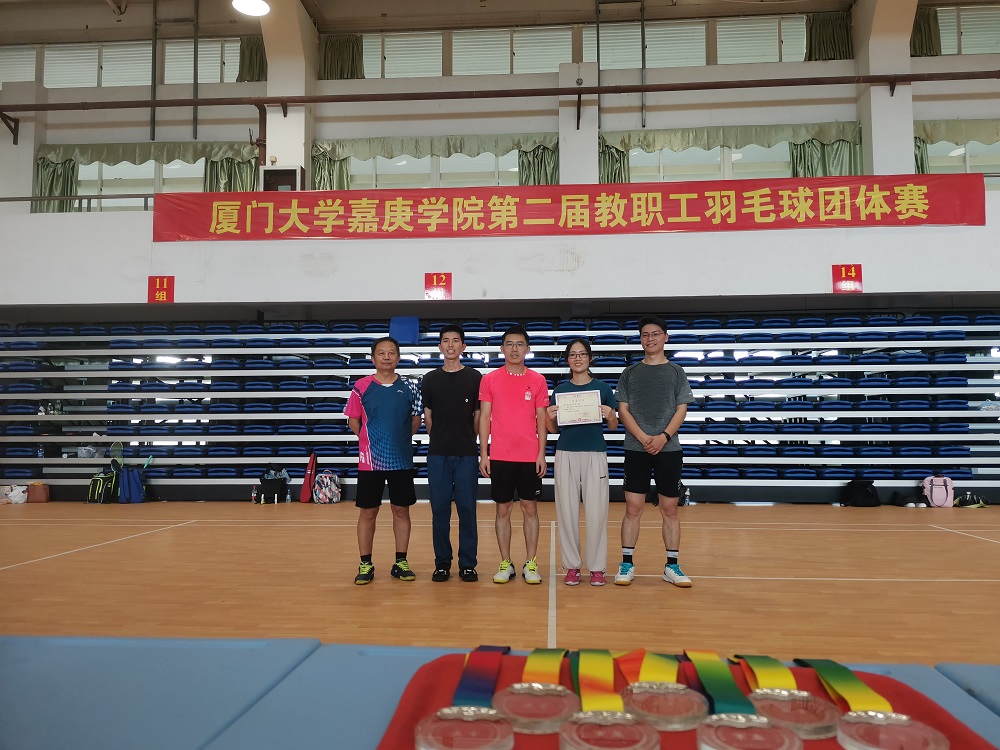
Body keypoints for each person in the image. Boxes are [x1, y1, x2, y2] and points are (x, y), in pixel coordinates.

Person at [614, 317, 696, 588]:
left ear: (665, 337)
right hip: (635, 448)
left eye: (655, 334)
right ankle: (626, 563)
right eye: (645, 335)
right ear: (641, 339)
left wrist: (663, 437)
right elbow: (623, 410)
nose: (650, 339)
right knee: (633, 507)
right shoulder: (630, 373)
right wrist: (642, 438)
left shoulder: (676, 372)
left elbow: (681, 409)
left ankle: (672, 566)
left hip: (668, 449)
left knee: (669, 508)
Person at [344, 336, 423, 585]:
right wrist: (371, 442)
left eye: (391, 353)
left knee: (401, 510)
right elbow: (354, 422)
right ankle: (365, 564)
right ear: (373, 358)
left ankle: (401, 562)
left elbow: (416, 420)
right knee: (368, 512)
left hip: (401, 460)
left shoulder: (410, 387)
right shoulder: (361, 387)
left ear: (398, 357)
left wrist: (398, 441)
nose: (386, 357)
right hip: (370, 462)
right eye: (381, 353)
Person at [479, 324, 549, 584]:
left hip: (529, 456)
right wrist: (484, 454)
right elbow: (484, 418)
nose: (514, 349)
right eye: (509, 344)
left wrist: (541, 454)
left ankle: (531, 563)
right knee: (503, 510)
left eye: (519, 344)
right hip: (500, 456)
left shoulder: (538, 380)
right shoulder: (489, 379)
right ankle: (505, 562)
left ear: (527, 349)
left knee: (530, 509)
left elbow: (541, 419)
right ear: (502, 348)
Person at [545, 338, 618, 587]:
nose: (578, 358)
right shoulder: (560, 390)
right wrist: (549, 417)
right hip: (566, 452)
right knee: (566, 512)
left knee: (597, 511)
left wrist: (611, 415)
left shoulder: (603, 388)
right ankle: (572, 566)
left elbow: (613, 426)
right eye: (573, 355)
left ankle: (597, 568)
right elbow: (554, 429)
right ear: (567, 360)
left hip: (595, 452)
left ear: (590, 358)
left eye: (582, 354)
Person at [421, 324, 482, 583]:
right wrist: (440, 438)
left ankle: (468, 564)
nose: (450, 345)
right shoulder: (430, 379)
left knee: (467, 509)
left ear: (463, 346)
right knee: (440, 510)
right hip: (438, 454)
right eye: (446, 340)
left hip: (466, 452)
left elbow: (478, 416)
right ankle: (442, 563)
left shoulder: (475, 377)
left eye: (455, 340)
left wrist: (469, 439)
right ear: (439, 346)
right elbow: (428, 417)